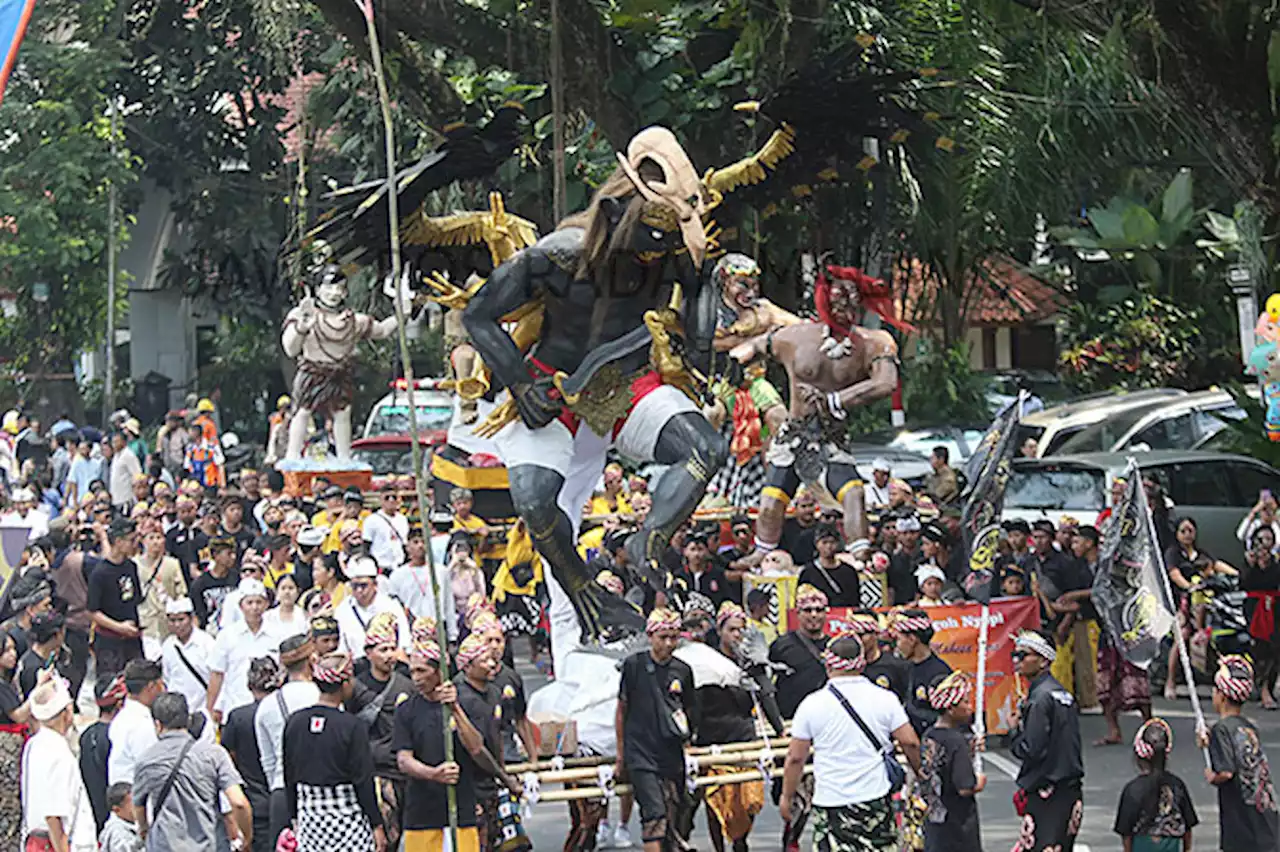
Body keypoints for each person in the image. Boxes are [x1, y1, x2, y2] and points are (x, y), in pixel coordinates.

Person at [781, 636, 920, 852]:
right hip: (874, 798)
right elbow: (910, 742)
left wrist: (787, 796)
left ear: (828, 664)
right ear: (862, 663)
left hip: (830, 802)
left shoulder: (811, 704)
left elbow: (796, 758)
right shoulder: (885, 699)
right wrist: (921, 774)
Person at [283, 652, 386, 852]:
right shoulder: (352, 726)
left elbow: (289, 775)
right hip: (347, 820)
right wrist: (376, 824)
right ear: (346, 683)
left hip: (310, 819)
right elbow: (363, 778)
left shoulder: (295, 722)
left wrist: (294, 817)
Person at [614, 609, 695, 852]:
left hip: (671, 754)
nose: (669, 643)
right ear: (650, 636)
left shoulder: (683, 670)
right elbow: (621, 711)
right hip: (641, 752)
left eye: (674, 637)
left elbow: (689, 712)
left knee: (674, 813)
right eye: (663, 637)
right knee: (654, 815)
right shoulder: (633, 666)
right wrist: (621, 755)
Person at [134, 692, 253, 852]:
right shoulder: (214, 754)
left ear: (158, 725)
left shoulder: (146, 760)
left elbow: (138, 806)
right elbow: (238, 802)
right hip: (210, 844)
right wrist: (246, 837)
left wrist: (145, 831)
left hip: (164, 845)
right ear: (187, 720)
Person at [1009, 629, 1085, 852]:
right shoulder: (1061, 694)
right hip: (1070, 791)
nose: (1017, 660)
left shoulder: (1040, 699)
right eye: (1015, 655)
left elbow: (1031, 749)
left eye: (1024, 655)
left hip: (1048, 795)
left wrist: (1014, 732)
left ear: (1043, 661)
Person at [1197, 655, 1280, 852]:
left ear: (1223, 697)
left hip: (1243, 824)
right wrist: (1208, 743)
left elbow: (1226, 771)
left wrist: (1212, 776)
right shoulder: (1248, 728)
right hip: (1264, 817)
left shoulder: (1221, 729)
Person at [353, 616, 416, 851]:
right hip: (376, 771)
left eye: (392, 648)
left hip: (404, 769)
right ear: (369, 653)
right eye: (383, 649)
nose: (389, 655)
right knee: (385, 837)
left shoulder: (406, 685)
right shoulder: (357, 687)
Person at [255, 633, 321, 844]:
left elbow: (268, 762)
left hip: (281, 792)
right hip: (320, 790)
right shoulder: (323, 696)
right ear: (312, 660)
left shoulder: (267, 706)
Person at [22, 677, 98, 851]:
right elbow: (53, 815)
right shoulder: (57, 752)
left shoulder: (35, 744)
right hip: (57, 843)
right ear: (66, 713)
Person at [920, 671, 985, 852]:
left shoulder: (929, 735)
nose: (970, 707)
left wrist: (969, 750)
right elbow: (964, 787)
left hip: (934, 824)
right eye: (965, 702)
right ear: (950, 708)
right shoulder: (955, 741)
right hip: (957, 828)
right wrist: (979, 782)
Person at [222, 657, 281, 852]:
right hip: (284, 799)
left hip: (253, 803)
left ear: (249, 685)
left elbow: (227, 759)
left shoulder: (238, 717)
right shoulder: (286, 713)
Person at [1113, 718, 1197, 852]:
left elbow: (1125, 832)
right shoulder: (1177, 785)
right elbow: (1188, 826)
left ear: (1138, 756)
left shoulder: (1132, 789)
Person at [206, 578, 282, 725]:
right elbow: (217, 673)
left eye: (259, 602)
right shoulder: (228, 635)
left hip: (268, 707)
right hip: (235, 707)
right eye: (250, 603)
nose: (254, 607)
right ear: (241, 606)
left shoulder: (276, 633)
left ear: (266, 605)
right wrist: (211, 708)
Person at [90, 517, 146, 674]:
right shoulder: (99, 573)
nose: (135, 544)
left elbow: (135, 599)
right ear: (119, 542)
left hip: (132, 639)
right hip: (109, 642)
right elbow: (92, 611)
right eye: (131, 540)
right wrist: (119, 627)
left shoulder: (131, 567)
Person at [769, 584, 830, 719]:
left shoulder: (834, 646)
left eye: (819, 610)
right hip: (791, 718)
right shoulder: (781, 645)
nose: (814, 615)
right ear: (798, 613)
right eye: (808, 610)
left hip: (826, 718)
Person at [388, 527, 458, 642]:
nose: (420, 545)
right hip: (411, 628)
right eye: (415, 542)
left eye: (424, 542)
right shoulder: (397, 575)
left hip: (437, 627)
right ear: (407, 547)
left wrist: (452, 635)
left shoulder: (441, 571)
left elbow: (448, 603)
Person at [894, 609, 953, 736]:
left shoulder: (940, 673)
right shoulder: (901, 668)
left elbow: (948, 718)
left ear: (912, 639)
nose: (897, 645)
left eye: (899, 639)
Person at [108, 658, 165, 785]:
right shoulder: (141, 725)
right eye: (161, 684)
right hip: (134, 793)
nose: (163, 690)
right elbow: (151, 769)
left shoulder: (121, 717)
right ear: (151, 687)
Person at [81, 673, 126, 831]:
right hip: (112, 815)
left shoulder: (86, 735)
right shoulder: (115, 736)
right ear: (120, 704)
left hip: (92, 813)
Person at [159, 598, 216, 723]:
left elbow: (215, 676)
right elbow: (167, 678)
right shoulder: (168, 646)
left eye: (181, 619)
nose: (177, 625)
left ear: (191, 619)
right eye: (172, 620)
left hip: (203, 710)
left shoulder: (206, 643)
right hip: (178, 713)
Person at [1241, 526, 1280, 709]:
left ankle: (1267, 687)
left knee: (1276, 649)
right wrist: (1253, 565)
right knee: (1260, 648)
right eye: (1262, 538)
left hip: (1273, 606)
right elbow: (1244, 584)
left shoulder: (1276, 562)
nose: (1266, 542)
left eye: (1269, 538)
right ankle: (1261, 687)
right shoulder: (1250, 561)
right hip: (1255, 608)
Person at [0, 632, 31, 846]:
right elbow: (17, 715)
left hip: (11, 748)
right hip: (5, 752)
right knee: (8, 808)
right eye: (6, 650)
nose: (12, 655)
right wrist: (38, 694)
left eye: (13, 649)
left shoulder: (7, 682)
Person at [135, 524, 187, 642]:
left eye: (159, 538)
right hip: (145, 619)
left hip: (167, 620)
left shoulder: (172, 564)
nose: (155, 542)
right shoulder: (135, 565)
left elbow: (180, 591)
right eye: (151, 538)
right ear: (143, 541)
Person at [847, 610, 908, 703]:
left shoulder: (895, 666)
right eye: (852, 635)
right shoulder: (846, 668)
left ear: (875, 634)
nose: (857, 640)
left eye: (861, 634)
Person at [798, 525, 861, 608]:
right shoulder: (808, 572)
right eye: (824, 542)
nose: (829, 546)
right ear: (817, 544)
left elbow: (855, 601)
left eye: (832, 542)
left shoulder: (849, 571)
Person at [188, 535, 240, 632]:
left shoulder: (238, 579)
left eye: (234, 553)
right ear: (216, 555)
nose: (233, 557)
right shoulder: (200, 584)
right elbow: (198, 615)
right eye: (229, 553)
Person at [363, 487, 410, 572]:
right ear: (381, 500)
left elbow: (404, 544)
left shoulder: (402, 519)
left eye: (394, 497)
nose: (391, 500)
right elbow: (366, 545)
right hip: (381, 566)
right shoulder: (372, 519)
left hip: (399, 565)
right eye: (387, 497)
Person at [98, 782, 144, 852]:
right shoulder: (116, 831)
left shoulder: (131, 825)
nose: (137, 807)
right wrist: (140, 840)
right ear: (117, 809)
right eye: (133, 805)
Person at [108, 431, 143, 511]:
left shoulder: (129, 455)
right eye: (113, 442)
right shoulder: (116, 455)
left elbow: (137, 475)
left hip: (126, 498)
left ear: (123, 442)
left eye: (117, 441)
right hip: (116, 497)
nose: (114, 444)